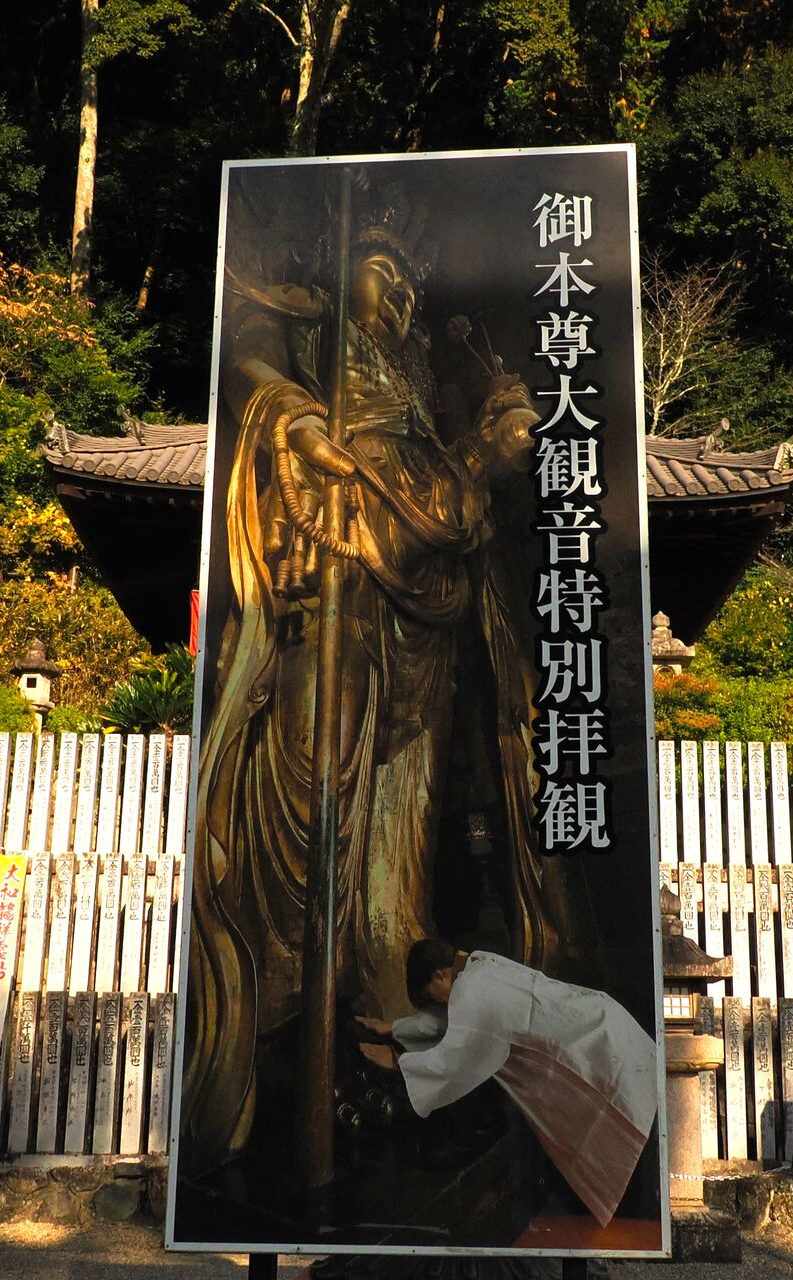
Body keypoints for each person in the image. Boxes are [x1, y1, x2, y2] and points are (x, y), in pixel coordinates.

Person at [182, 180, 560, 1173]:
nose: (395, 296)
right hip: (337, 582)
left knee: (405, 803)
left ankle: (386, 965)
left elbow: (454, 486)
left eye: (407, 285)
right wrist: (298, 422)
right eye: (381, 272)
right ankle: (290, 987)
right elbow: (248, 363)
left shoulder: (418, 373)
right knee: (318, 774)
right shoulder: (310, 333)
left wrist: (482, 449)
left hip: (418, 599)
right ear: (341, 269)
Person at [356, 939, 658, 1229]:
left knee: (629, 1129)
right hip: (604, 1024)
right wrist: (394, 1028)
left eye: (431, 996)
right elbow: (452, 1017)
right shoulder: (477, 963)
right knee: (639, 1116)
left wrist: (398, 1062)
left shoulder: (471, 990)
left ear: (439, 974)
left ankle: (637, 1218)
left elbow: (455, 1057)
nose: (436, 1004)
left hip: (596, 1049)